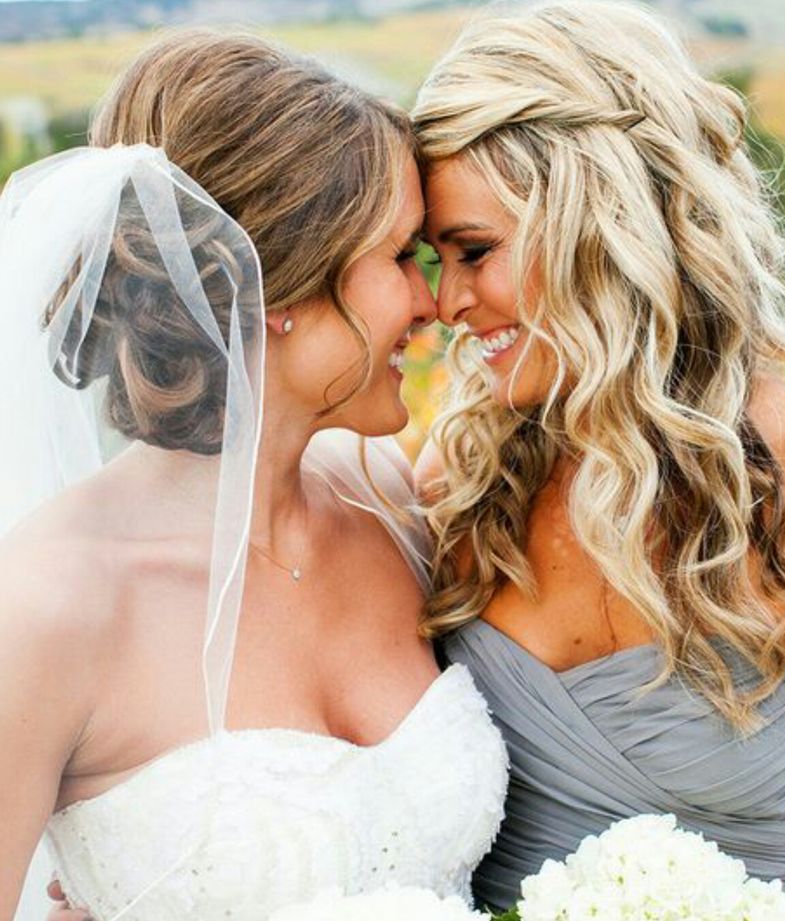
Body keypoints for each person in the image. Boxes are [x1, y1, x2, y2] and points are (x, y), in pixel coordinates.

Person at [412, 2, 785, 918]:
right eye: (433, 260)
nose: (448, 304)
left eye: (475, 251)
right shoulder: (458, 483)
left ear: (603, 224)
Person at [2, 30, 507, 921]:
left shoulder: (391, 498)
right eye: (400, 256)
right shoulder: (45, 606)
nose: (431, 302)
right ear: (277, 289)